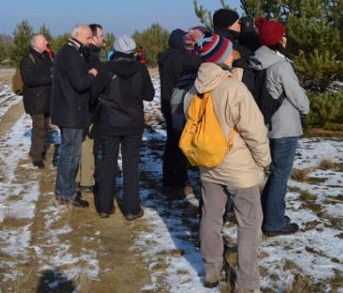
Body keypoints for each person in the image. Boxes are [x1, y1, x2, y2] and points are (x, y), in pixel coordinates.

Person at [184, 32, 271, 291]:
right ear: (221, 57)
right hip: (239, 169)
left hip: (209, 165)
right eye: (230, 52)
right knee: (249, 225)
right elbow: (255, 132)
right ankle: (246, 283)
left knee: (211, 218)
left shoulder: (195, 88)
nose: (233, 55)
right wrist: (264, 162)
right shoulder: (234, 89)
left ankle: (212, 271)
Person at [249, 17, 310, 237]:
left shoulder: (255, 60)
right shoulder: (281, 65)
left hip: (266, 125)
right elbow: (298, 97)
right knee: (280, 175)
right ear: (277, 39)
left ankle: (269, 214)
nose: (286, 38)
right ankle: (273, 223)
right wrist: (306, 109)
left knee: (272, 174)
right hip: (285, 127)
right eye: (283, 34)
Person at [92, 35, 155, 220]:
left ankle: (104, 206)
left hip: (109, 122)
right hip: (133, 123)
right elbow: (150, 95)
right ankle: (132, 208)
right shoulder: (140, 69)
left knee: (108, 163)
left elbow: (94, 91)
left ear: (116, 50)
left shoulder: (106, 69)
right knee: (131, 164)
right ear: (133, 51)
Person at [51, 24, 98, 207]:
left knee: (70, 152)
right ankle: (65, 193)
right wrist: (92, 74)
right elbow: (80, 83)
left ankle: (66, 190)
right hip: (71, 112)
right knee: (70, 154)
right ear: (79, 36)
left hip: (69, 110)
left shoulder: (68, 51)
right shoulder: (71, 54)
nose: (89, 42)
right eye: (88, 38)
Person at [158, 29, 193, 196]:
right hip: (178, 105)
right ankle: (179, 183)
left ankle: (168, 181)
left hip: (167, 103)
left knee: (171, 143)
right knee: (180, 145)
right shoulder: (179, 59)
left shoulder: (165, 58)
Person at [76, 23, 105, 192]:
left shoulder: (85, 54)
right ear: (93, 38)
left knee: (83, 142)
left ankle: (80, 176)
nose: (104, 40)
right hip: (90, 106)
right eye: (101, 36)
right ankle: (86, 180)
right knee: (88, 143)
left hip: (84, 106)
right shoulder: (91, 57)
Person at [21, 33, 52, 168]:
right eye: (44, 41)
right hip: (36, 101)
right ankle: (37, 157)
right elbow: (29, 79)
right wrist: (49, 79)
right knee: (39, 128)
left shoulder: (45, 56)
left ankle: (35, 151)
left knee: (45, 128)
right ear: (37, 43)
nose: (47, 42)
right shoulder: (28, 59)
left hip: (46, 99)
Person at [213, 8, 255, 94]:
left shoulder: (215, 40)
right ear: (229, 25)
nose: (240, 25)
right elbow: (250, 54)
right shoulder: (227, 44)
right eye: (238, 22)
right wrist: (249, 34)